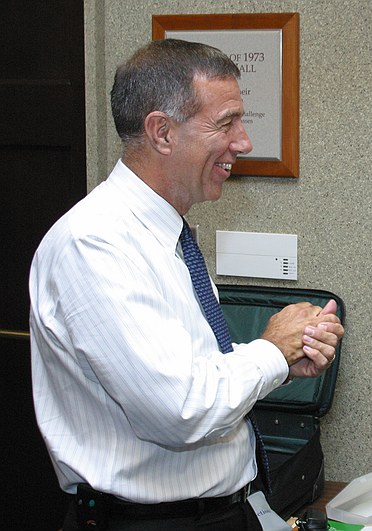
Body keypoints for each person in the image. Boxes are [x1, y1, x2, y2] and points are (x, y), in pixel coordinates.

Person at [29, 39, 344, 530]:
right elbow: (179, 412)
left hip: (219, 510)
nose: (243, 142)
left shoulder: (170, 235)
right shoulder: (94, 245)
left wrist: (280, 363)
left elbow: (189, 371)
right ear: (162, 132)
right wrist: (271, 349)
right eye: (225, 123)